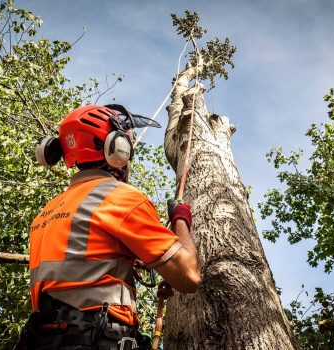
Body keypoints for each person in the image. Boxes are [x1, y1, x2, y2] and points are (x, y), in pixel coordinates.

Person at [18, 105, 201, 350]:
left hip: (41, 337)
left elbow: (82, 264)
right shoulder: (121, 198)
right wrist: (181, 219)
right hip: (93, 337)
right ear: (118, 148)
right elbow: (189, 277)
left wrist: (136, 261)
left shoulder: (46, 213)